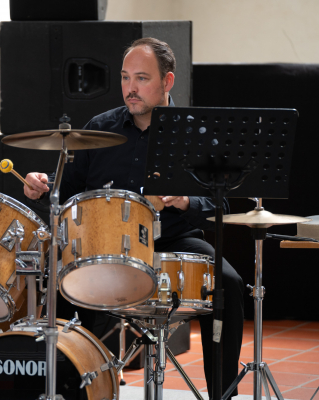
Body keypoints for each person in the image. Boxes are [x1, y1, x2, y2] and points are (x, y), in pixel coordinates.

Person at [23, 37, 244, 397]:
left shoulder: (196, 132)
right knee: (60, 276)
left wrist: (186, 201)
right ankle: (68, 389)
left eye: (142, 78)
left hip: (172, 240)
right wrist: (44, 185)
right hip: (105, 241)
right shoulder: (100, 127)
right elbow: (69, 190)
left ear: (167, 81)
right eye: (126, 77)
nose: (131, 88)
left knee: (228, 282)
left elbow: (220, 207)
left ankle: (223, 392)